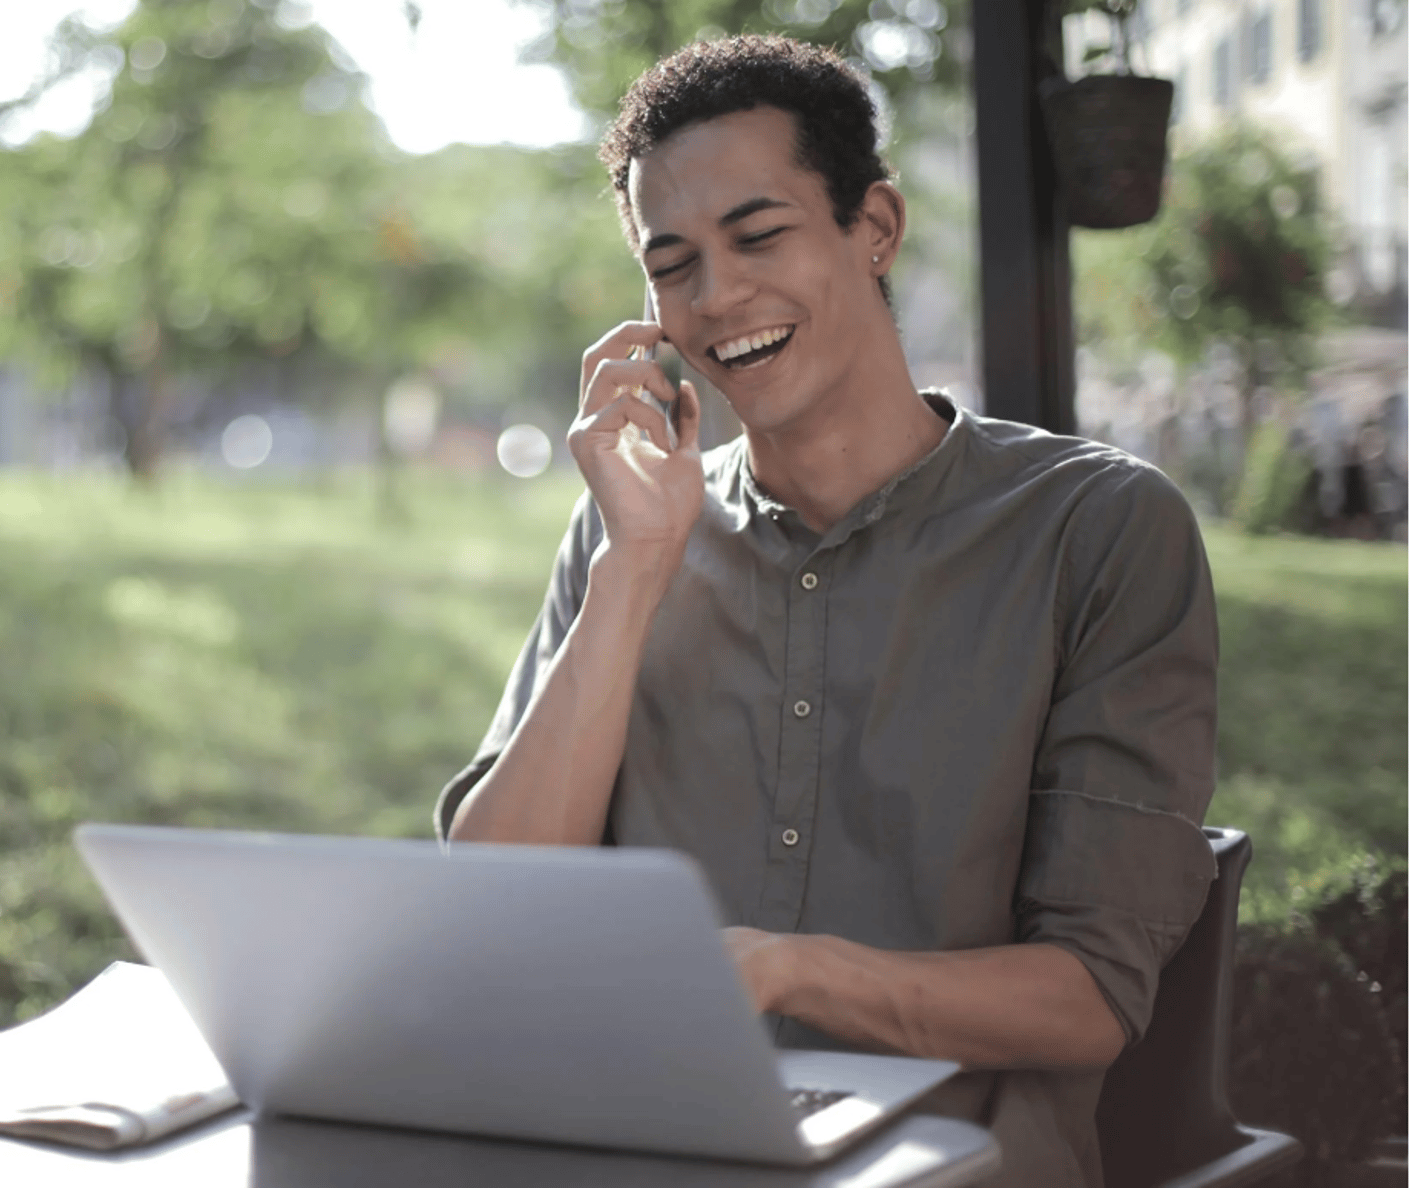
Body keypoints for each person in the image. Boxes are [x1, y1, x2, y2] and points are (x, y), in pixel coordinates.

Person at [435, 34, 1219, 1188]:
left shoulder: (1098, 530)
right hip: (639, 1143)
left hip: (954, 1163)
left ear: (876, 227)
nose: (718, 297)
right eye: (672, 264)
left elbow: (1089, 998)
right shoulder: (630, 529)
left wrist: (781, 970)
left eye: (759, 236)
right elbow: (494, 905)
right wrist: (634, 570)